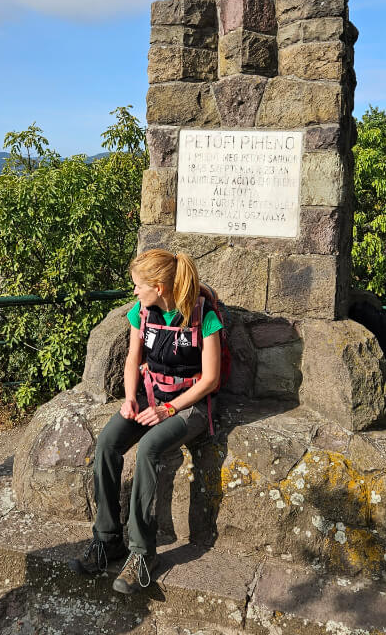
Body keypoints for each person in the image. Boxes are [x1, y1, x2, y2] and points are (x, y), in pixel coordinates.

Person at [68, 249, 223, 594]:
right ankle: (107, 540)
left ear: (159, 287)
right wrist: (128, 398)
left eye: (139, 285)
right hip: (150, 396)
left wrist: (169, 410)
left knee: (149, 447)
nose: (135, 292)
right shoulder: (141, 312)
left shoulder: (204, 315)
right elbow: (132, 360)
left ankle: (141, 553)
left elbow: (211, 379)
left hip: (190, 406)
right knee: (108, 443)